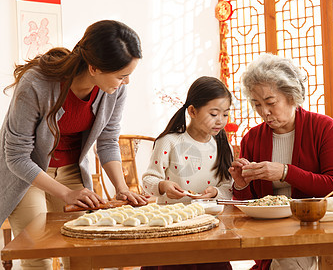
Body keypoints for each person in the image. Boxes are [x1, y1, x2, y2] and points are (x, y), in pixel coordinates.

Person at [0, 20, 149, 270]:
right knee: (38, 255)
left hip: (71, 170)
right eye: (122, 76)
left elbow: (108, 140)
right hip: (27, 174)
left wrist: (121, 188)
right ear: (93, 67)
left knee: (82, 253)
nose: (126, 82)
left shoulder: (114, 90)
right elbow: (16, 156)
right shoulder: (36, 83)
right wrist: (67, 194)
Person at [228, 54, 333, 270]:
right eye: (257, 104)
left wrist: (284, 172)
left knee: (289, 264)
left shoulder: (324, 128)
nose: (264, 112)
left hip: (319, 230)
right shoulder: (252, 138)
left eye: (271, 102)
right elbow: (248, 205)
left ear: (292, 96)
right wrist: (241, 184)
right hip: (270, 234)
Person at [141, 76, 234, 270]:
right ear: (192, 111)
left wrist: (216, 193)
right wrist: (163, 186)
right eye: (214, 114)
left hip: (209, 226)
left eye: (225, 114)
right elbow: (149, 179)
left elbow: (228, 187)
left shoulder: (223, 146)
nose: (221, 121)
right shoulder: (170, 142)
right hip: (172, 227)